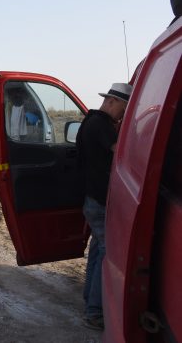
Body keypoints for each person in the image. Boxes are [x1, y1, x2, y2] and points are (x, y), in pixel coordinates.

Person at [77, 82, 132, 330]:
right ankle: (95, 312)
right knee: (108, 254)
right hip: (100, 201)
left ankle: (90, 300)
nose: (124, 114)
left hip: (92, 199)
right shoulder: (102, 125)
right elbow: (121, 151)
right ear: (112, 102)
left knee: (98, 250)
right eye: (125, 108)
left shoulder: (90, 121)